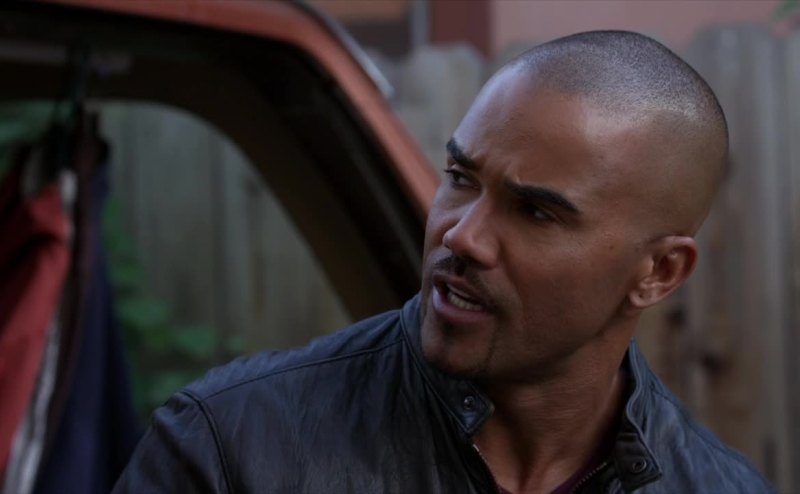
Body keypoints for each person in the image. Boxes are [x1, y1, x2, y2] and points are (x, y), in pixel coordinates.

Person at [113, 31, 774, 493]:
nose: (463, 237)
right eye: (460, 178)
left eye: (536, 212)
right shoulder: (232, 449)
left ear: (658, 272)